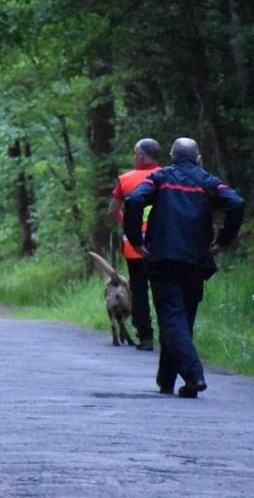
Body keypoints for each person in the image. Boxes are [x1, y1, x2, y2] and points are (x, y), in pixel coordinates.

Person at [123, 138, 244, 398]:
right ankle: (166, 380)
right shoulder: (207, 181)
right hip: (196, 260)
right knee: (181, 319)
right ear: (198, 159)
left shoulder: (160, 178)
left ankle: (193, 375)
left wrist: (136, 240)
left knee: (172, 319)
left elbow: (133, 200)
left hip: (164, 258)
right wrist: (223, 241)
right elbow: (236, 202)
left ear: (172, 156)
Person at [107, 138, 162, 351]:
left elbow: (113, 210)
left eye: (134, 153)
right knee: (163, 290)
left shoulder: (126, 180)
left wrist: (128, 225)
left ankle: (145, 337)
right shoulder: (167, 176)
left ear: (140, 155)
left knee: (139, 291)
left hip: (134, 246)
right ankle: (170, 336)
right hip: (162, 244)